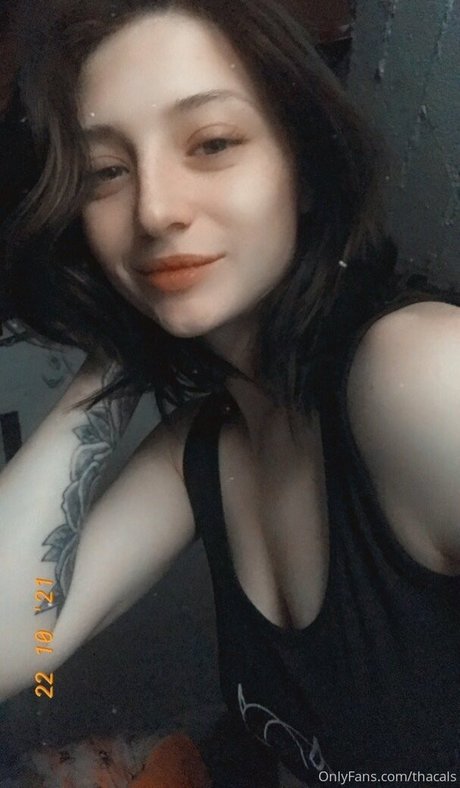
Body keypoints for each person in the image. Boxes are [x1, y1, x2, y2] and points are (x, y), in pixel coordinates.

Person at [1, 0, 459, 785]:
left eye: (212, 143)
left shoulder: (421, 377)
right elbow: (23, 640)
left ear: (305, 169)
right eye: (106, 172)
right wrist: (117, 347)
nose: (154, 210)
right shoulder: (205, 448)